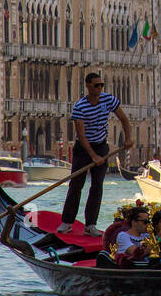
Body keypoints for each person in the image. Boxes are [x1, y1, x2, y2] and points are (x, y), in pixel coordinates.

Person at [58, 72, 136, 236]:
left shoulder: (108, 100)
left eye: (101, 85)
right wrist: (93, 156)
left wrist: (128, 138)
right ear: (87, 86)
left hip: (101, 147)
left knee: (97, 186)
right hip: (83, 149)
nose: (100, 88)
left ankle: (90, 225)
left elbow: (124, 119)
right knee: (76, 185)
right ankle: (67, 222)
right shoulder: (80, 107)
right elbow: (81, 135)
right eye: (96, 85)